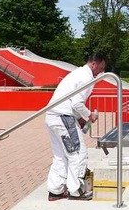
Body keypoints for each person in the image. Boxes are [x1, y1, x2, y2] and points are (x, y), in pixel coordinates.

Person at [45, 54, 106, 201]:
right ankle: (76, 190)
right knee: (78, 153)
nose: (101, 72)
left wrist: (79, 118)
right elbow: (76, 103)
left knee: (61, 156)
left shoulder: (77, 73)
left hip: (52, 115)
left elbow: (70, 99)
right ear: (93, 64)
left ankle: (55, 190)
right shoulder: (87, 78)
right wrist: (90, 115)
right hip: (63, 118)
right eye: (100, 68)